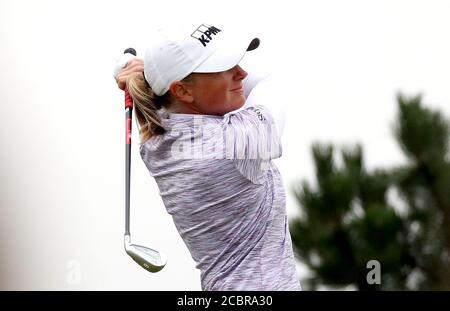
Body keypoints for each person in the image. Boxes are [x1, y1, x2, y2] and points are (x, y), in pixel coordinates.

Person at [114, 22, 301, 291]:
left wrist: (147, 74)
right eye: (224, 68)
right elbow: (273, 81)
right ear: (183, 91)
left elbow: (160, 97)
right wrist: (146, 71)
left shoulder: (158, 141)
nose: (241, 72)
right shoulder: (233, 144)